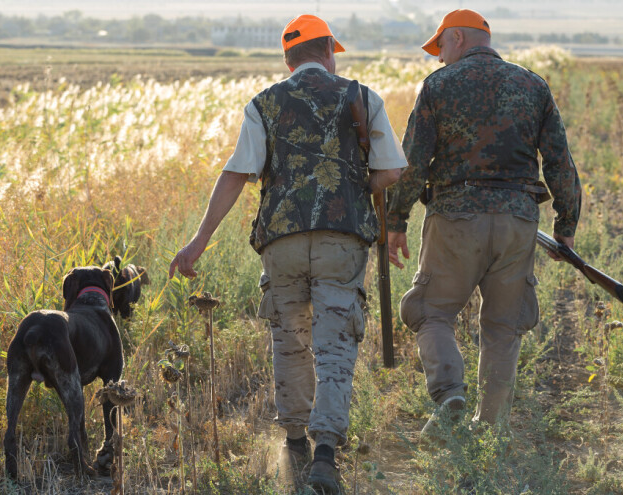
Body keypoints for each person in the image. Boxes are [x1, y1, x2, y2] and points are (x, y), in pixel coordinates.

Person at [168, 14, 407, 494]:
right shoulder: (361, 97)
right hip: (343, 240)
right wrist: (355, 186)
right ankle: (324, 456)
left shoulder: (264, 104)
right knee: (335, 344)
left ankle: (294, 441)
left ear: (289, 60)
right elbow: (392, 170)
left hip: (282, 243)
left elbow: (237, 174)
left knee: (291, 340)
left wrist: (198, 242)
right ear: (328, 53)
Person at [386, 8, 582, 441]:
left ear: (456, 38)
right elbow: (559, 162)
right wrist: (566, 222)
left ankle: (450, 394)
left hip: (455, 217)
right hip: (518, 221)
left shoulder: (439, 86)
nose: (438, 58)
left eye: (440, 47)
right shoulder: (533, 85)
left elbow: (413, 162)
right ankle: (490, 429)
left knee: (429, 311)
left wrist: (395, 220)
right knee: (503, 325)